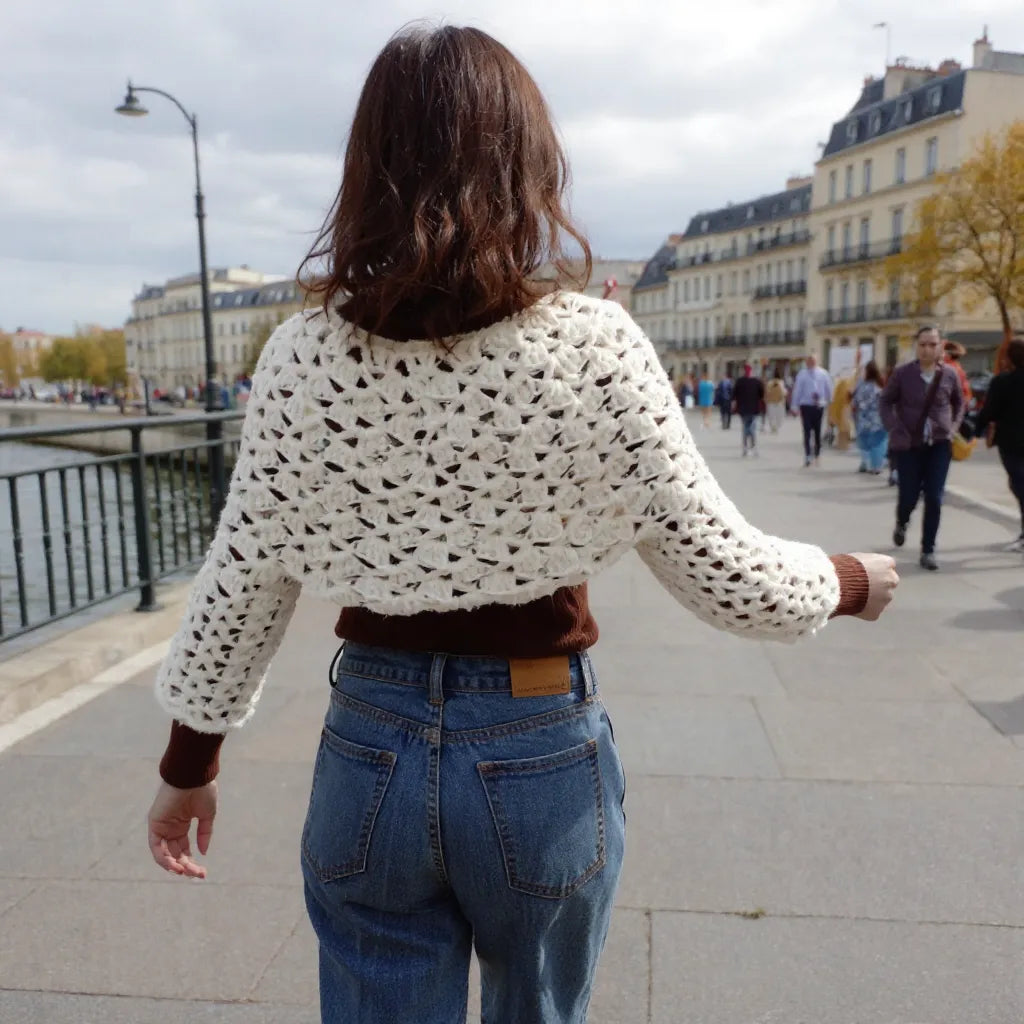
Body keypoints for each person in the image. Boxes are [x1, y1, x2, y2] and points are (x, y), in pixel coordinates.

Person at [144, 25, 900, 1024]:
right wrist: (849, 578)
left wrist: (186, 771)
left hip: (368, 745)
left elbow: (240, 589)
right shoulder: (593, 348)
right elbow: (731, 578)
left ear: (365, 167)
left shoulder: (303, 360)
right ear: (526, 164)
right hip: (539, 745)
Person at [880, 325, 964, 571]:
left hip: (939, 444)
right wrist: (893, 426)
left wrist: (953, 427)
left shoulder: (949, 374)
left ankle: (928, 550)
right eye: (923, 344)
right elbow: (885, 400)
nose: (927, 349)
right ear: (916, 347)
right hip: (908, 445)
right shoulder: (903, 374)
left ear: (940, 346)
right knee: (908, 495)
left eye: (932, 344)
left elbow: (959, 403)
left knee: (935, 498)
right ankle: (902, 521)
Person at [974, 337, 1024, 551]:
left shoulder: (1002, 382)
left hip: (1011, 443)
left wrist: (974, 430)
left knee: (1019, 485)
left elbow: (989, 411)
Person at [790, 354, 833, 466]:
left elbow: (829, 388)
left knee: (818, 431)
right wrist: (794, 405)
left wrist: (831, 402)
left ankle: (817, 454)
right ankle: (808, 455)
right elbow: (797, 390)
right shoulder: (802, 374)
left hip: (819, 405)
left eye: (813, 361)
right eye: (809, 361)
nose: (811, 363)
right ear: (806, 362)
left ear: (817, 361)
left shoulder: (823, 373)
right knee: (807, 431)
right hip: (806, 405)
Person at [852, 361, 888, 475]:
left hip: (864, 419)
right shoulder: (881, 384)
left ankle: (866, 463)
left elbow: (856, 401)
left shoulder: (863, 385)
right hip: (879, 419)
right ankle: (877, 465)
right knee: (878, 443)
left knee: (866, 442)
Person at [733, 364, 764, 457]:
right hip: (754, 409)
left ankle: (746, 448)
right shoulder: (756, 381)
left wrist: (736, 404)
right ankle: (753, 447)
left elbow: (734, 394)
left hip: (743, 409)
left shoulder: (739, 381)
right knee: (752, 428)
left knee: (745, 428)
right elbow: (761, 394)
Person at [764, 369, 787, 433]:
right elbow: (783, 392)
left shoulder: (770, 382)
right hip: (779, 401)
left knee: (771, 416)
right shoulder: (781, 382)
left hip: (771, 402)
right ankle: (777, 427)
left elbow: (767, 392)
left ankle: (773, 427)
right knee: (779, 416)